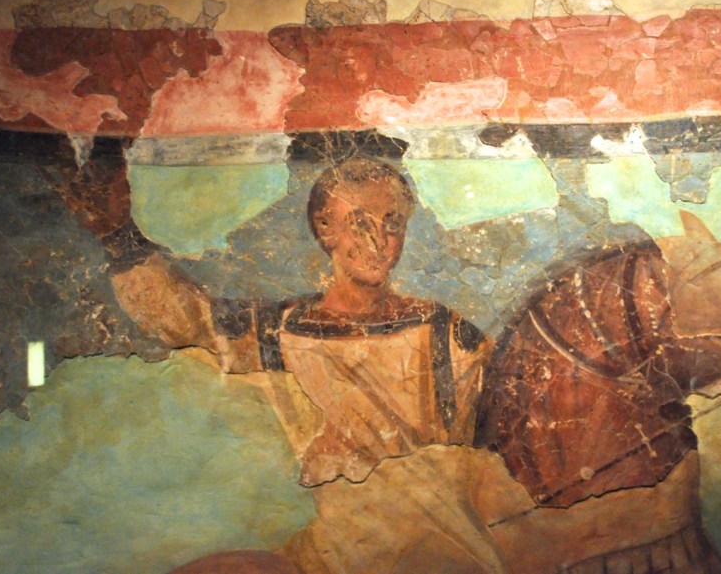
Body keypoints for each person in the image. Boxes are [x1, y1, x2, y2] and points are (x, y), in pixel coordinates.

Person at [98, 157, 490, 486]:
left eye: (392, 223)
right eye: (359, 223)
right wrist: (118, 235)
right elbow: (184, 320)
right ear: (325, 229)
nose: (377, 242)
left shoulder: (445, 333)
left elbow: (489, 434)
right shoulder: (278, 330)